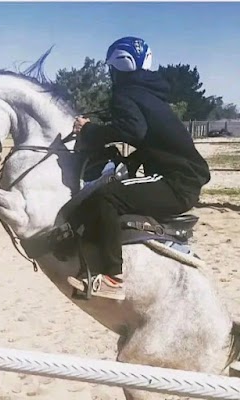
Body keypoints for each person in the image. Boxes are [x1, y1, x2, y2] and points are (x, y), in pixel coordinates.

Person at [66, 36, 211, 300]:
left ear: (117, 67)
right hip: (182, 178)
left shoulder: (125, 94)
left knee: (106, 197)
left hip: (174, 183)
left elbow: (132, 131)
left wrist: (88, 130)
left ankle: (112, 278)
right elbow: (150, 140)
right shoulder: (148, 93)